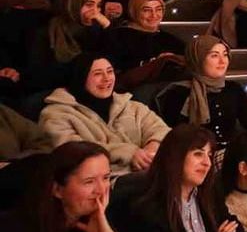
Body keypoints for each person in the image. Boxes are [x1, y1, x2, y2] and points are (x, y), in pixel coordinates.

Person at [0, 141, 149, 232]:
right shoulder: (14, 229)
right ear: (57, 190)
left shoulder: (100, 218)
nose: (101, 190)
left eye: (105, 178)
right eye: (89, 182)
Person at [127, 124, 247, 232]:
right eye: (198, 154)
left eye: (210, 155)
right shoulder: (149, 207)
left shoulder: (210, 196)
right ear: (175, 157)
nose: (207, 163)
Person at [39, 52, 170, 177]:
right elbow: (71, 150)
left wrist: (150, 152)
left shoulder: (133, 107)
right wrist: (128, 153)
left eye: (110, 71)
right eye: (97, 74)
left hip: (145, 175)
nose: (107, 78)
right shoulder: (55, 114)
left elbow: (161, 131)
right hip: (100, 182)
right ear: (81, 78)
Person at [155, 35, 247, 150]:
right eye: (214, 56)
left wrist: (242, 147)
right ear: (198, 59)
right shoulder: (179, 92)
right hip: (194, 154)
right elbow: (173, 137)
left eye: (225, 54)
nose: (222, 61)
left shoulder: (233, 88)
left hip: (230, 152)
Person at [27, 0, 113, 92]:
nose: (96, 11)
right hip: (57, 89)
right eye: (89, 4)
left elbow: (111, 61)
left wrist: (107, 26)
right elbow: (38, 72)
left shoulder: (96, 30)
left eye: (98, 6)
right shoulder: (49, 31)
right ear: (72, 4)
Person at [104, 0, 186, 94]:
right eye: (146, 10)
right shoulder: (118, 37)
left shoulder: (170, 39)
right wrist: (154, 63)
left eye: (158, 9)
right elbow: (116, 72)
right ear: (134, 10)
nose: (154, 15)